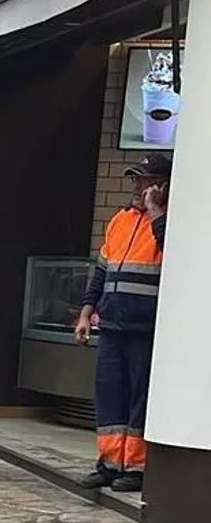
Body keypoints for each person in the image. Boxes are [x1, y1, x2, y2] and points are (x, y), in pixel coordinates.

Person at [75, 153, 170, 493]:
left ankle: (137, 466)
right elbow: (102, 271)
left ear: (162, 185)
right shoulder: (120, 221)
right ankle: (110, 462)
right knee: (111, 396)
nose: (138, 187)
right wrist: (87, 311)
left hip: (146, 328)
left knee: (138, 398)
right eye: (136, 180)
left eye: (145, 180)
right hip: (113, 325)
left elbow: (173, 254)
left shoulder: (168, 222)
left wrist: (158, 212)